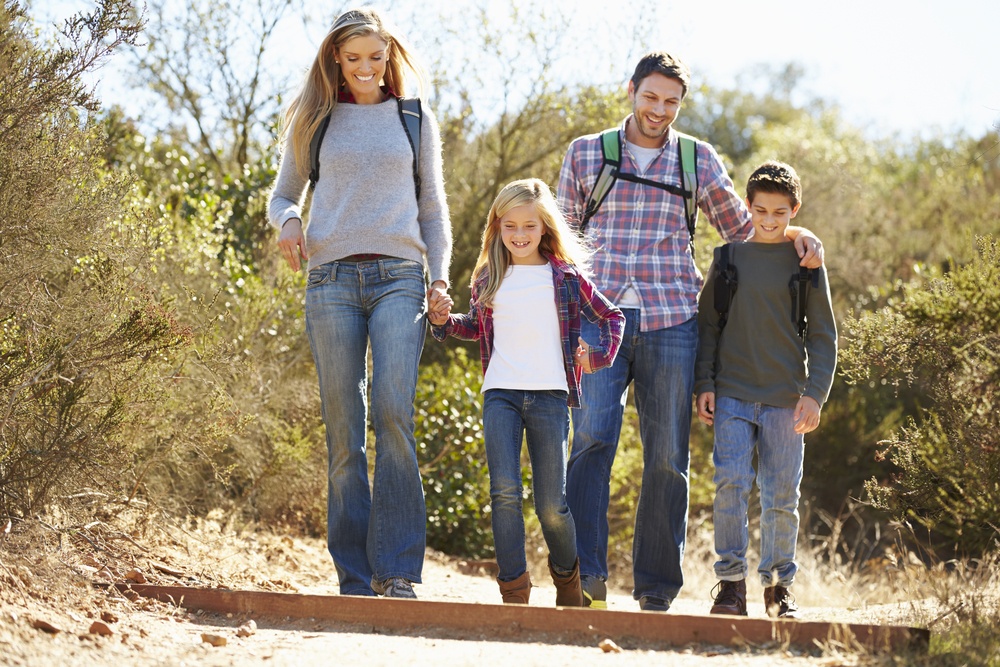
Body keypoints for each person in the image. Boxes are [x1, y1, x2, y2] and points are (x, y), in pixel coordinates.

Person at [556, 51, 824, 611]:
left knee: (666, 459)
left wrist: (797, 234)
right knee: (591, 442)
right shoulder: (586, 153)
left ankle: (655, 592)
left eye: (671, 101)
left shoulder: (695, 158)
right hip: (598, 320)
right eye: (650, 97)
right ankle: (586, 582)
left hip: (673, 320)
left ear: (681, 104)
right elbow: (560, 241)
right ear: (631, 90)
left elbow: (745, 227)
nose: (659, 109)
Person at [267, 8, 452, 599]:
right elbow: (283, 195)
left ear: (389, 55)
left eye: (375, 56)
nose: (365, 67)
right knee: (345, 429)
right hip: (331, 283)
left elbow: (433, 209)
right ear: (336, 60)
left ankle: (397, 570)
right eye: (353, 59)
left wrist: (440, 279)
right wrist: (290, 221)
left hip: (401, 277)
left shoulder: (414, 118)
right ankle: (353, 577)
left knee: (394, 413)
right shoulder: (315, 119)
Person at [427, 179, 624, 606]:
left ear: (545, 227)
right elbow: (475, 327)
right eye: (510, 225)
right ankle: (514, 590)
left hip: (550, 398)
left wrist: (598, 357)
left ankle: (568, 583)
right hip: (501, 393)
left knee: (552, 505)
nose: (519, 234)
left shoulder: (565, 278)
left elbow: (613, 317)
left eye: (529, 226)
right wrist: (443, 322)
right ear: (497, 226)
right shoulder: (488, 277)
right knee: (504, 494)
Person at [695, 161, 837, 617]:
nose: (770, 220)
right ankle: (731, 587)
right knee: (730, 487)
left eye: (780, 212)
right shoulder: (727, 259)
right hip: (732, 394)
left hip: (786, 401)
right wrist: (704, 383)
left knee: (780, 497)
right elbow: (708, 328)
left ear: (795, 210)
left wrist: (815, 394)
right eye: (760, 211)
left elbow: (823, 336)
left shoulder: (807, 264)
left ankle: (778, 590)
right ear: (748, 207)